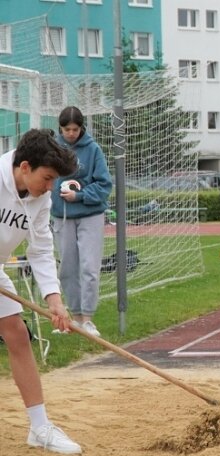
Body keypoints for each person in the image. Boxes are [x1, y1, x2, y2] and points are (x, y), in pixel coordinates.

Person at [0, 128, 82, 454]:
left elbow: (41, 249)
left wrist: (55, 301)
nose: (51, 187)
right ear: (24, 167)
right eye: (47, 178)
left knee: (17, 334)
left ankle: (40, 428)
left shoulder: (41, 198)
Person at [51, 106, 112, 337]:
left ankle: (87, 319)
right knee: (67, 266)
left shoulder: (93, 149)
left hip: (90, 215)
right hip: (62, 216)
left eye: (75, 129)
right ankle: (74, 318)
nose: (71, 134)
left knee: (89, 266)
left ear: (81, 128)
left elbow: (104, 184)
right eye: (67, 129)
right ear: (61, 128)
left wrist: (81, 195)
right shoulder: (54, 149)